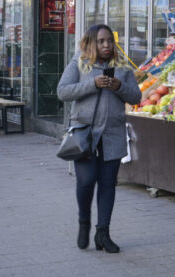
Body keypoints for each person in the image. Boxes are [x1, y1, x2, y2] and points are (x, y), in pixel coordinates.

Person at [57, 24, 141, 253]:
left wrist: (119, 87)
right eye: (101, 41)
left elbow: (136, 97)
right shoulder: (80, 62)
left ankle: (103, 233)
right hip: (85, 135)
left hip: (112, 135)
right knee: (85, 182)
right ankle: (84, 221)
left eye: (109, 41)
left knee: (107, 185)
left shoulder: (122, 66)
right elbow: (63, 91)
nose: (106, 45)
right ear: (91, 43)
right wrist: (92, 84)